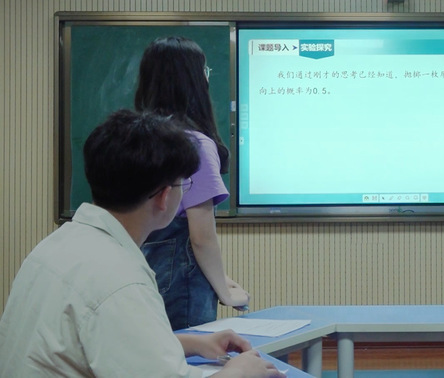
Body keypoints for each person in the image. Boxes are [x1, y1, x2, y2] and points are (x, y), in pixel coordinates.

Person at [0, 110, 283, 377]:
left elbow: (99, 338)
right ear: (163, 197)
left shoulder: (57, 245)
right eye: (183, 185)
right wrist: (240, 371)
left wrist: (191, 343)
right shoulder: (121, 281)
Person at [135, 36, 249, 329]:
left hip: (141, 275)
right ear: (193, 81)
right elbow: (201, 237)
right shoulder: (195, 144)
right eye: (204, 71)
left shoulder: (134, 140)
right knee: (191, 355)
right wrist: (225, 293)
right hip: (182, 284)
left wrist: (220, 277)